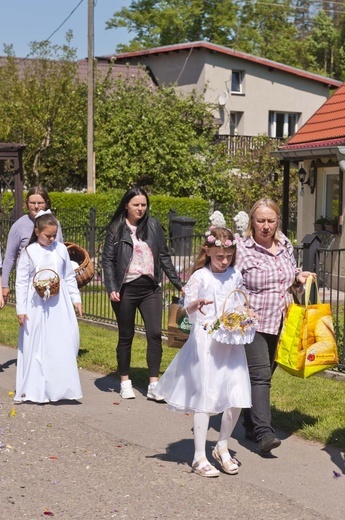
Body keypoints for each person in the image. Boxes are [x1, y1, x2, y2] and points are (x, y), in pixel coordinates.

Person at [153, 227, 252, 477]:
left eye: (228, 255)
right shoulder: (200, 276)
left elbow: (239, 302)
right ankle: (199, 456)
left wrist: (247, 314)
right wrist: (196, 304)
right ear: (207, 251)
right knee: (206, 396)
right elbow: (187, 309)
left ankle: (222, 446)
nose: (224, 260)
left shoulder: (235, 275)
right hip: (206, 341)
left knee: (236, 395)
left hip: (230, 341)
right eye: (219, 255)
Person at [235, 198, 315, 454]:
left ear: (277, 221)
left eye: (271, 221)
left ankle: (248, 421)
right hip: (253, 322)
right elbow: (231, 283)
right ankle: (264, 433)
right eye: (261, 221)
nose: (266, 226)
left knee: (265, 374)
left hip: (282, 321)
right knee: (260, 377)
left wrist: (299, 278)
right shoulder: (242, 249)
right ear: (252, 221)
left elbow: (289, 277)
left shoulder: (285, 244)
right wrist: (239, 307)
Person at [102, 187, 184, 401]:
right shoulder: (116, 229)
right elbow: (108, 261)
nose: (140, 209)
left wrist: (179, 284)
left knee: (155, 334)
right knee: (126, 336)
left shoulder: (154, 226)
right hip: (125, 289)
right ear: (126, 205)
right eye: (136, 205)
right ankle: (125, 381)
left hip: (150, 289)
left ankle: (154, 384)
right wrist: (112, 288)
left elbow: (164, 257)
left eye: (143, 205)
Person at [14, 210, 82, 404]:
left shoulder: (60, 249)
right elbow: (21, 281)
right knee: (36, 345)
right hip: (35, 304)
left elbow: (68, 276)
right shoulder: (30, 252)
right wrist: (21, 309)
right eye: (47, 235)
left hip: (58, 304)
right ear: (37, 232)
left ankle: (59, 388)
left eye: (54, 235)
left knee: (60, 342)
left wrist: (75, 298)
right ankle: (34, 388)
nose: (52, 239)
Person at [2, 186, 63, 303]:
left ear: (46, 203)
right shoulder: (19, 226)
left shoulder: (55, 224)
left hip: (51, 283)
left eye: (40, 203)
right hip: (28, 284)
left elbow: (60, 251)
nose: (36, 206)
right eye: (32, 203)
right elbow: (9, 257)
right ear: (27, 203)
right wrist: (4, 285)